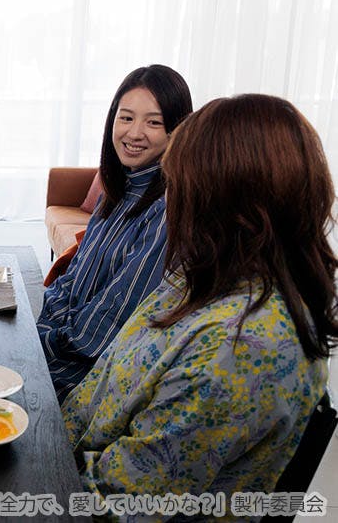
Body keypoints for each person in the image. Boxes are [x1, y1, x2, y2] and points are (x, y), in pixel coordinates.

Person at [62, 94, 335, 509]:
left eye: (177, 185)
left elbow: (116, 502)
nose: (169, 201)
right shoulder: (205, 276)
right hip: (68, 451)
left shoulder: (238, 347)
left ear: (222, 201)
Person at [38, 65, 193, 401]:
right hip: (59, 343)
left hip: (86, 376)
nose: (134, 133)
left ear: (177, 131)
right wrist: (44, 325)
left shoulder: (167, 210)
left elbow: (108, 327)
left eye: (153, 122)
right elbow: (71, 279)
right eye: (126, 118)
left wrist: (39, 342)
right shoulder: (117, 189)